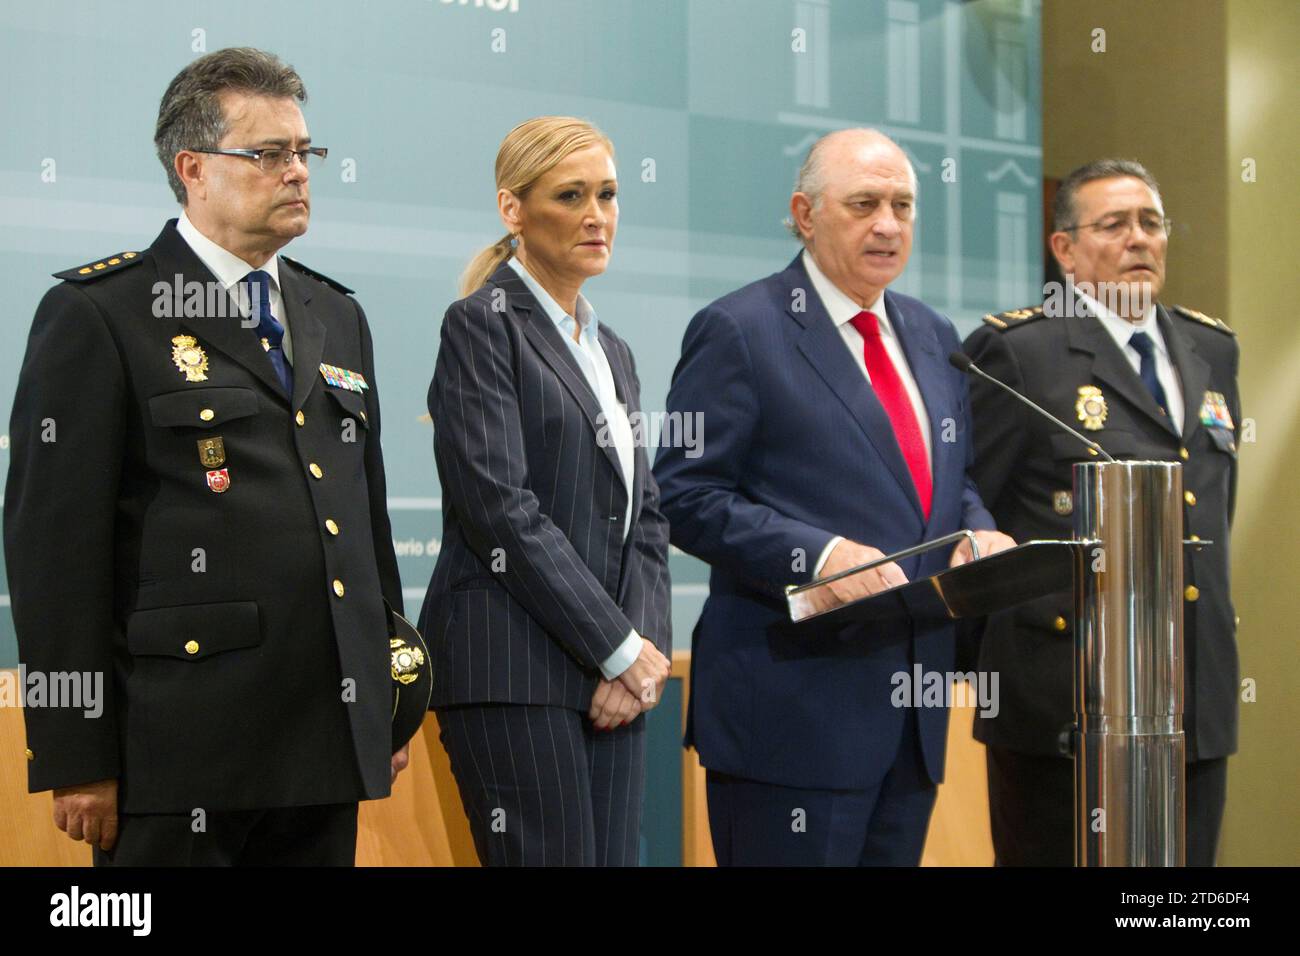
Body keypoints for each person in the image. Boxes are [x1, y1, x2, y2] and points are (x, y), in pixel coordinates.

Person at [3, 47, 406, 866]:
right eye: (268, 154)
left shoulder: (334, 314)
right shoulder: (101, 314)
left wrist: (388, 698)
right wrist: (78, 755)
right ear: (193, 169)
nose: (297, 172)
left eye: (304, 152)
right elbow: (52, 558)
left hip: (325, 738)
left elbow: (363, 521)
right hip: (178, 750)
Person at [653, 128, 1013, 866]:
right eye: (864, 204)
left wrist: (977, 533)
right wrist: (816, 554)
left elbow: (951, 486)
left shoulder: (931, 332)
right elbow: (684, 492)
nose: (888, 224)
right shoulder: (741, 329)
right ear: (805, 213)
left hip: (912, 719)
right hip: (791, 716)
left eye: (903, 206)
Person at [963, 158, 1241, 867]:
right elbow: (972, 513)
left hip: (1192, 694)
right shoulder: (1020, 353)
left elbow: (1212, 511)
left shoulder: (1213, 348)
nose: (1139, 240)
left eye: (1151, 223)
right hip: (1065, 697)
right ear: (1065, 250)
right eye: (1114, 225)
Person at [417, 116, 672, 867]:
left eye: (608, 194)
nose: (597, 215)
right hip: (512, 668)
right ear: (513, 209)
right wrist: (619, 647)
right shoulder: (480, 327)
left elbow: (646, 518)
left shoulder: (611, 349)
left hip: (613, 674)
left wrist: (642, 650)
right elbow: (501, 509)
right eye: (570, 195)